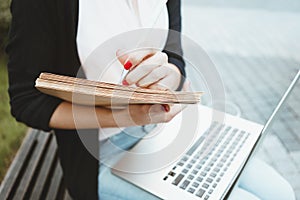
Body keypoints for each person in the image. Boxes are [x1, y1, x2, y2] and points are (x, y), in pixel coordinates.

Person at [6, 0, 295, 199]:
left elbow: (176, 59)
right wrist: (124, 116)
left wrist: (169, 77)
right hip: (102, 155)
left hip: (171, 130)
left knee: (281, 193)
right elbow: (25, 99)